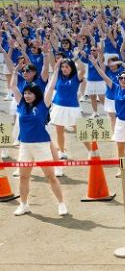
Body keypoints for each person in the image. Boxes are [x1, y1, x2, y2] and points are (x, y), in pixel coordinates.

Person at [10, 76, 67, 217]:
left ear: (36, 94)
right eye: (25, 93)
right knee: (23, 177)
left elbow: (51, 86)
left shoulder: (43, 105)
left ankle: (61, 204)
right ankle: (24, 205)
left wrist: (56, 68)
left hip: (41, 145)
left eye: (30, 93)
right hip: (25, 146)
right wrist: (15, 71)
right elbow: (13, 86)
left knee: (50, 176)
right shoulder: (21, 105)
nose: (26, 96)